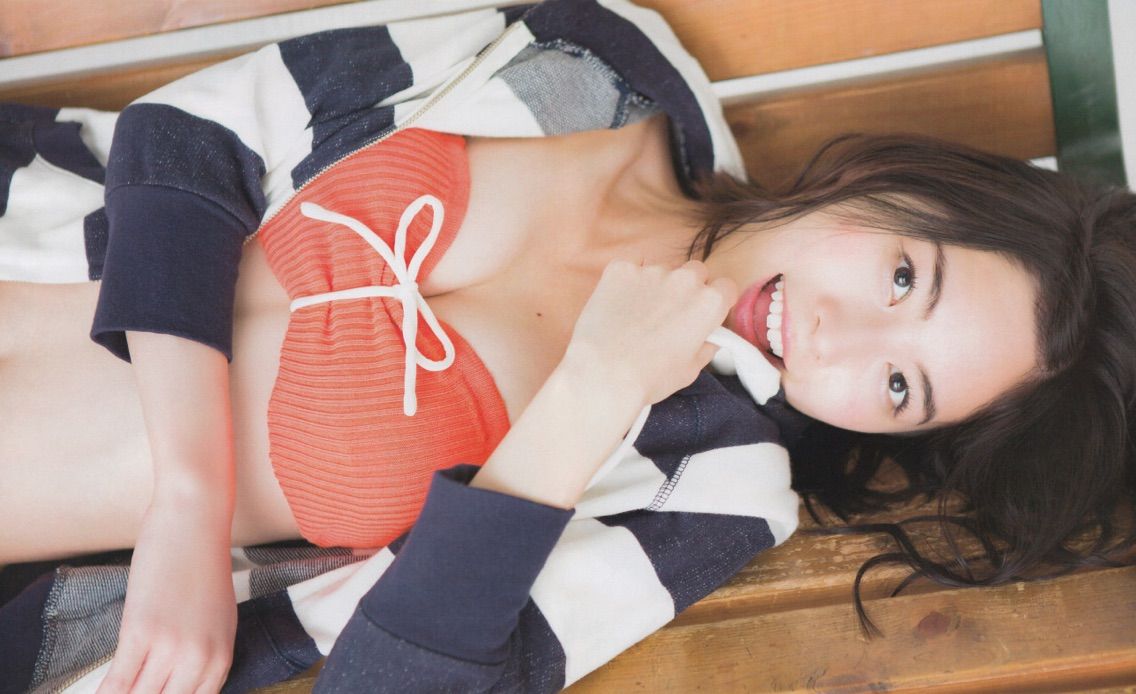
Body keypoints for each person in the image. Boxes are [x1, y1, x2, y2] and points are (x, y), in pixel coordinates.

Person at [0, 0, 1133, 692]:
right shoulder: (599, 70)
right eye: (902, 276)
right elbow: (189, 138)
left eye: (896, 385)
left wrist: (589, 396)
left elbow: (391, 682)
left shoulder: (709, 480)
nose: (839, 336)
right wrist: (189, 505)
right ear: (897, 188)